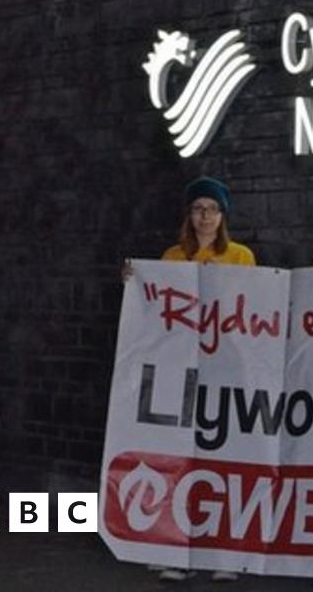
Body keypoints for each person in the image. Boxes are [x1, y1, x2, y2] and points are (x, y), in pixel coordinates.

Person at [124, 174, 251, 582]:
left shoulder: (240, 256)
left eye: (212, 209)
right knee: (177, 456)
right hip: (177, 368)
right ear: (189, 214)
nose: (205, 216)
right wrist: (135, 283)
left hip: (224, 367)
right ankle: (174, 547)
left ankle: (221, 553)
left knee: (222, 458)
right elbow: (155, 307)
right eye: (198, 209)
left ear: (223, 215)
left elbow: (252, 308)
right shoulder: (173, 256)